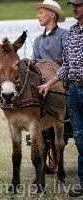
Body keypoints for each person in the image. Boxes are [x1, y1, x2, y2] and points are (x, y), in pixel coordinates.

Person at [38, 0, 83, 197]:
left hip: (70, 89)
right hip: (72, 89)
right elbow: (66, 67)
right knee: (80, 138)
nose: (74, 8)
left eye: (78, 5)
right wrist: (48, 83)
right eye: (73, 5)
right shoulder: (72, 32)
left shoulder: (64, 34)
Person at [30, 0, 68, 174]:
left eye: (41, 12)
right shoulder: (37, 41)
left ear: (52, 14)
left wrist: (53, 67)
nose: (38, 15)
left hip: (63, 83)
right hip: (43, 86)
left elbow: (69, 62)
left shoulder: (64, 35)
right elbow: (35, 64)